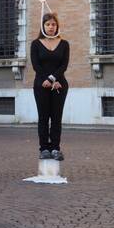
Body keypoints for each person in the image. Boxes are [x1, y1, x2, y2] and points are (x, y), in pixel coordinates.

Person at [30, 13, 69, 161]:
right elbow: (36, 65)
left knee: (56, 118)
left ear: (57, 26)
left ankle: (55, 149)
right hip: (41, 85)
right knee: (43, 117)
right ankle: (44, 148)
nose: (51, 27)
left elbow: (63, 65)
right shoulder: (36, 43)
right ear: (43, 26)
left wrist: (53, 79)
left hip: (59, 85)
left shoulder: (64, 44)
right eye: (48, 24)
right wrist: (48, 79)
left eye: (53, 24)